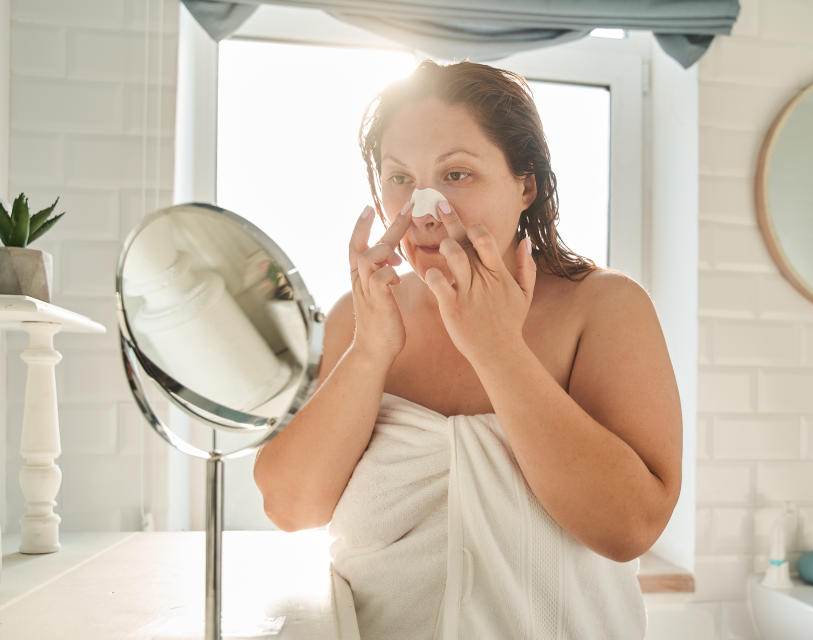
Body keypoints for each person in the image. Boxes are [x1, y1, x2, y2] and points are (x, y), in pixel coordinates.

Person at [254, 59, 682, 639]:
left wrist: (499, 351)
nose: (422, 209)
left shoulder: (603, 308)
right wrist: (370, 350)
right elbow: (290, 508)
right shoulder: (358, 316)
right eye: (399, 178)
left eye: (456, 175)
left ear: (525, 185)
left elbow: (629, 528)